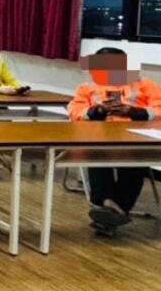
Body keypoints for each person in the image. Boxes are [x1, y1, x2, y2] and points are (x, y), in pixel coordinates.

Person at [68, 47, 161, 235]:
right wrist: (96, 111)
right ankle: (112, 208)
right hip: (100, 138)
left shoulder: (144, 85)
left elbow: (159, 109)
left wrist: (135, 112)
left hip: (136, 138)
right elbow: (75, 113)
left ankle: (108, 210)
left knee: (135, 163)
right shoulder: (87, 88)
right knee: (97, 158)